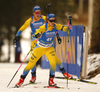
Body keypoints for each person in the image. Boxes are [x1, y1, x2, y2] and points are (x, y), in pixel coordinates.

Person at [15, 13, 73, 87]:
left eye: (54, 20)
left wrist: (70, 22)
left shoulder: (56, 26)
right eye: (51, 21)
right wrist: (37, 34)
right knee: (30, 65)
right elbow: (36, 33)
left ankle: (51, 80)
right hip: (39, 48)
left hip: (49, 48)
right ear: (47, 21)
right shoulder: (43, 27)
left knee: (53, 63)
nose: (53, 22)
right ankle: (21, 80)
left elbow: (68, 30)